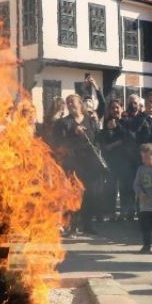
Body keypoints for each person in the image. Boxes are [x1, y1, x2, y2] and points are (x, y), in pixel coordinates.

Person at [53, 94, 103, 234]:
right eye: (68, 102)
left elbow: (97, 139)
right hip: (73, 164)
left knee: (91, 194)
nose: (70, 104)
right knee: (74, 194)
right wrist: (74, 133)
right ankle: (72, 225)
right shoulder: (63, 123)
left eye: (72, 101)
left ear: (80, 104)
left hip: (90, 163)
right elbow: (59, 143)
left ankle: (88, 224)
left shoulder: (90, 120)